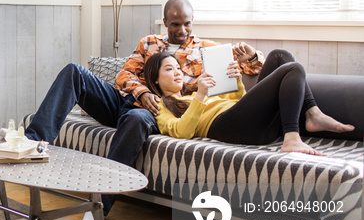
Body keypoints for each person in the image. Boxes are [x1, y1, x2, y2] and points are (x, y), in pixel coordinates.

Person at [19, 0, 264, 220]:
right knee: (74, 71)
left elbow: (252, 69)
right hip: (126, 100)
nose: (182, 30)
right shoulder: (149, 42)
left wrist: (252, 56)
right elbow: (124, 74)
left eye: (187, 24)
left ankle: (99, 205)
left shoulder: (207, 49)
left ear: (192, 21)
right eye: (176, 24)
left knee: (137, 120)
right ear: (165, 22)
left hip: (157, 111)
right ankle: (32, 143)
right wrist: (142, 91)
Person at [144, 50, 354, 154]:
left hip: (244, 120)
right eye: (169, 69)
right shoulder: (160, 106)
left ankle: (312, 113)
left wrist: (236, 78)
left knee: (281, 56)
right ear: (155, 78)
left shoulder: (193, 93)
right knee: (293, 69)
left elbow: (238, 100)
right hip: (228, 127)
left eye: (178, 68)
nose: (177, 73)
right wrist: (200, 95)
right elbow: (182, 131)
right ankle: (292, 137)